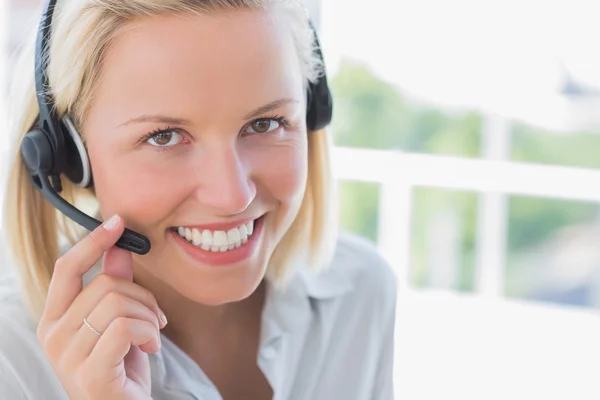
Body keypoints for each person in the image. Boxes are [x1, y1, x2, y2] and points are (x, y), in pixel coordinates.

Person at [0, 0, 397, 399]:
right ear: (71, 156)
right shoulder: (12, 361)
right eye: (164, 136)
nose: (232, 196)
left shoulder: (361, 297)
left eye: (265, 123)